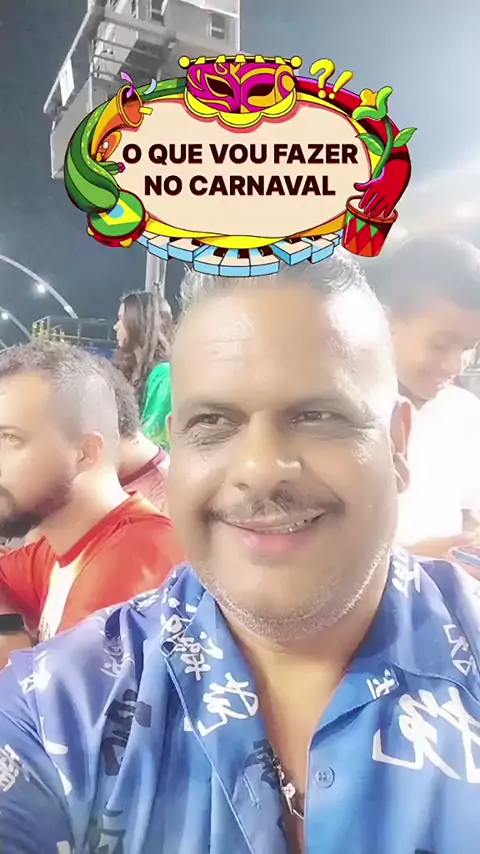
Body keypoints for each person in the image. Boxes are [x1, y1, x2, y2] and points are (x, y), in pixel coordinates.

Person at [1, 257, 480, 854]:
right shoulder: (56, 711)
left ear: (397, 443)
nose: (259, 469)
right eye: (213, 422)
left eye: (318, 415)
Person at [0, 340, 183, 664]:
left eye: (10, 438)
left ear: (86, 452)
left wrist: (10, 643)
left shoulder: (133, 568)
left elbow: (53, 694)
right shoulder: (69, 541)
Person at [371, 235, 480, 559]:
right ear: (384, 323)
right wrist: (421, 560)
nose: (454, 366)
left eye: (468, 347)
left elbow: (469, 510)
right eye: (440, 344)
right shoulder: (338, 420)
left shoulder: (465, 411)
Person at [114, 290, 172, 448]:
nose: (115, 326)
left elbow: (154, 440)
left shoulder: (163, 375)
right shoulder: (128, 372)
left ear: (137, 322)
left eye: (121, 319)